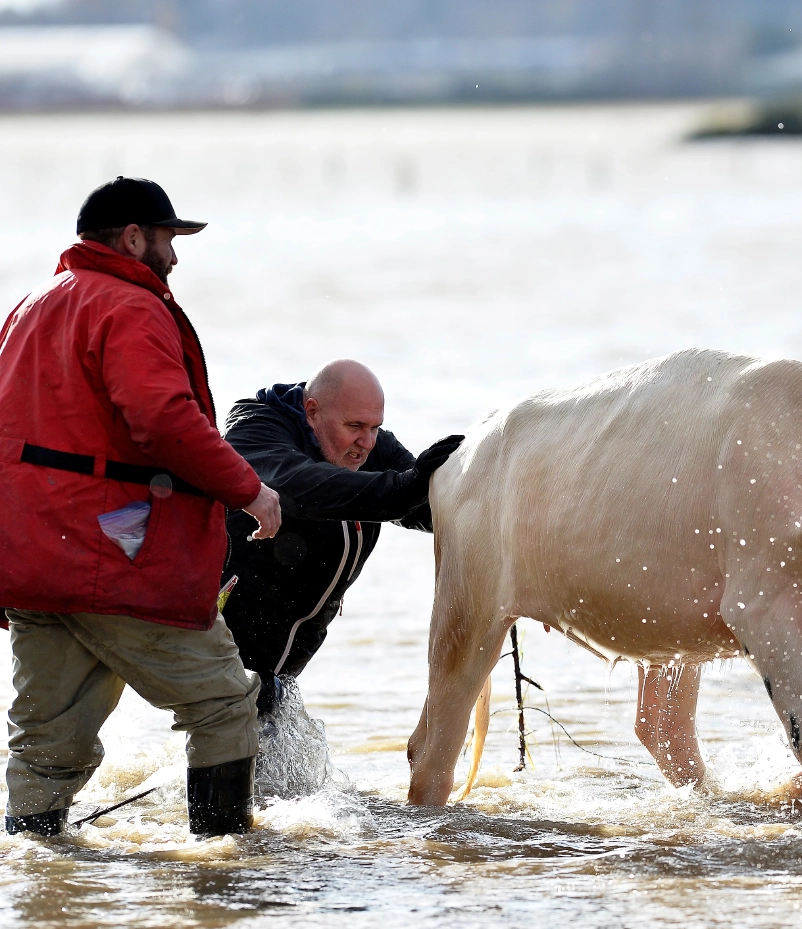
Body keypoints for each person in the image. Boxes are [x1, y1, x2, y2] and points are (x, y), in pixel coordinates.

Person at [0, 177, 282, 836]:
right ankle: (226, 874)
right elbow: (162, 418)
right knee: (223, 704)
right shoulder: (128, 305)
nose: (175, 257)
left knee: (46, 741)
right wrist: (249, 489)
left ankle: (40, 884)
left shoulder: (31, 305)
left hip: (33, 559)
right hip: (113, 554)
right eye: (168, 239)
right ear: (133, 238)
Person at [219, 360, 461, 717]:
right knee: (235, 745)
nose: (366, 442)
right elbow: (303, 487)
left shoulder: (369, 445)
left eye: (375, 427)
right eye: (355, 427)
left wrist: (520, 558)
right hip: (222, 643)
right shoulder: (256, 431)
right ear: (312, 411)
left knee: (282, 759)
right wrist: (406, 486)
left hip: (286, 661)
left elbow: (427, 508)